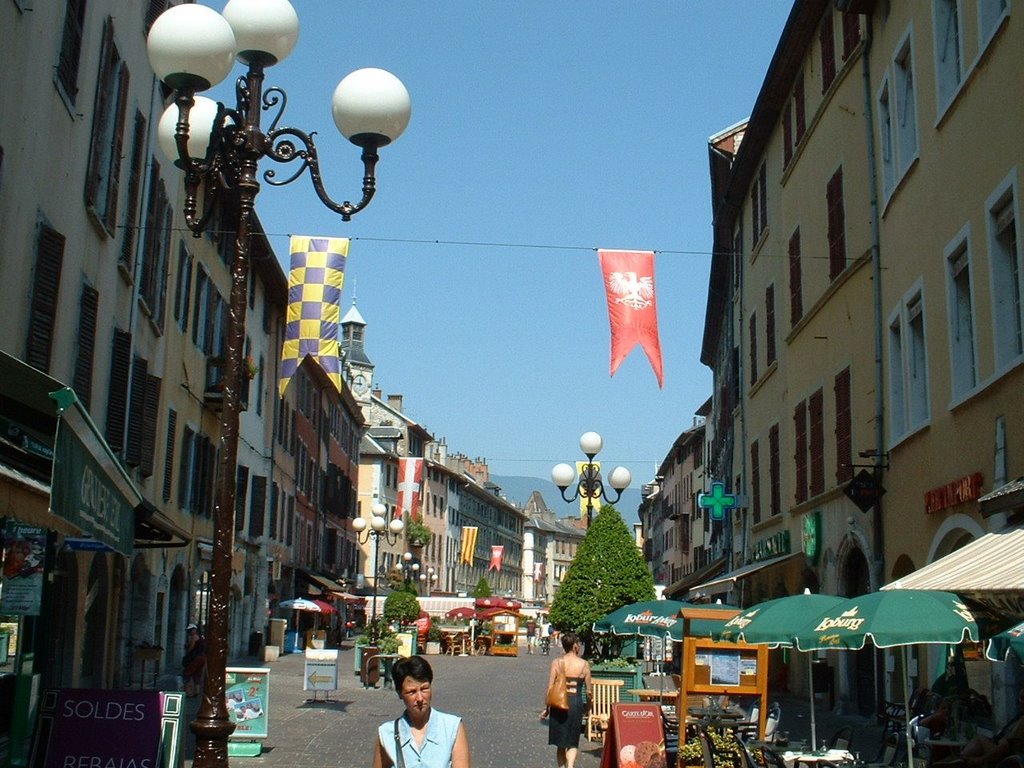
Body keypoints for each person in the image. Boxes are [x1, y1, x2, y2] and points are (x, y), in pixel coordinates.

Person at [372, 655, 471, 768]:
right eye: (411, 692)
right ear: (400, 693)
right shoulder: (386, 733)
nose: (419, 698)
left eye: (424, 689)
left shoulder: (452, 727)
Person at [540, 632, 592, 768]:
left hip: (559, 704)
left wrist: (546, 709)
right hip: (576, 702)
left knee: (560, 743)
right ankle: (570, 766)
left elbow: (550, 687)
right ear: (575, 646)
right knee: (573, 741)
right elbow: (589, 691)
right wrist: (588, 707)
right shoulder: (584, 664)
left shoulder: (557, 662)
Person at [936, 689, 1024, 768]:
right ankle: (959, 760)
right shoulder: (1019, 716)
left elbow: (1007, 746)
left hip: (1007, 756)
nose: (1019, 701)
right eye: (1020, 698)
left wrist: (981, 759)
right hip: (1002, 749)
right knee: (979, 740)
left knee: (979, 741)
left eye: (1022, 698)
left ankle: (959, 760)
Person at [181, 623, 206, 698]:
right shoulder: (201, 637)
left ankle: (187, 692)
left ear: (194, 630)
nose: (189, 632)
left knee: (187, 673)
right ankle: (197, 692)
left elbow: (191, 647)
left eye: (190, 630)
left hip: (195, 658)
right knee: (197, 675)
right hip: (202, 657)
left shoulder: (194, 637)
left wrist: (187, 652)